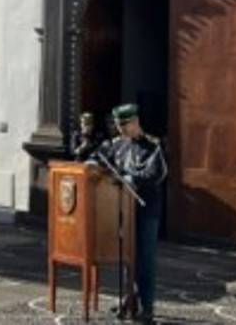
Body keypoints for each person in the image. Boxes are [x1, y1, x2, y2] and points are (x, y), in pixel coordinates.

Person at [105, 104, 167, 324]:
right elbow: (104, 162)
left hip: (146, 210)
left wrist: (128, 176)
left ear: (135, 122)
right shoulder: (118, 145)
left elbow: (155, 174)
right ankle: (128, 298)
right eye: (118, 126)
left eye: (124, 125)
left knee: (145, 259)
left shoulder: (153, 146)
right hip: (122, 210)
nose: (120, 130)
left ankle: (147, 307)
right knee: (127, 258)